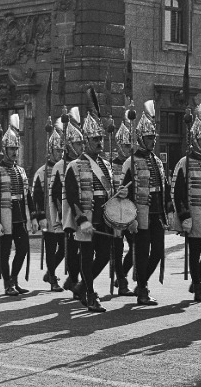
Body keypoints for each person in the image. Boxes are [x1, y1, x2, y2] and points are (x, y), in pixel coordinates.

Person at [121, 100, 174, 306]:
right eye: (149, 137)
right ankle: (142, 289)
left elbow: (165, 187)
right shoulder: (130, 162)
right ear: (140, 138)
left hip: (156, 214)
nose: (152, 141)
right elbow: (124, 193)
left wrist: (168, 209)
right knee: (142, 254)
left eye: (153, 137)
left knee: (158, 252)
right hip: (140, 215)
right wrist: (131, 217)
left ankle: (141, 282)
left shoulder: (158, 161)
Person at [65, 108, 115, 312]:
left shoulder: (105, 165)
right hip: (85, 218)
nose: (99, 143)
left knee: (104, 255)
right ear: (86, 141)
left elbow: (108, 191)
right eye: (95, 139)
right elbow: (72, 196)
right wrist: (81, 220)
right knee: (86, 257)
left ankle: (83, 286)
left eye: (101, 139)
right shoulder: (74, 166)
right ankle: (90, 294)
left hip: (103, 219)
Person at [0, 122, 38, 296]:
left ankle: (14, 279)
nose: (15, 152)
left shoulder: (21, 171)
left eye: (16, 148)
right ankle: (8, 283)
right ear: (4, 150)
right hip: (5, 217)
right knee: (5, 252)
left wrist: (34, 216)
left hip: (20, 216)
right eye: (11, 149)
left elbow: (27, 195)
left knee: (23, 249)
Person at [172, 102, 201, 303]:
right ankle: (198, 285)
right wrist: (184, 215)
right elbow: (178, 192)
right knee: (196, 250)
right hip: (194, 211)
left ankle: (197, 277)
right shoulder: (185, 162)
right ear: (194, 141)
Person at [51, 108, 85, 299]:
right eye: (77, 143)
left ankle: (74, 279)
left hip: (82, 210)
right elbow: (56, 193)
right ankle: (73, 279)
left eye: (82, 143)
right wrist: (60, 216)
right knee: (72, 250)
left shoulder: (83, 162)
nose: (81, 147)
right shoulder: (60, 166)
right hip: (68, 213)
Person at [32, 118, 66, 292]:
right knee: (51, 248)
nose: (60, 154)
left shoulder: (65, 168)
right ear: (50, 151)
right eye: (57, 150)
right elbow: (36, 196)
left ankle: (49, 272)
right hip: (48, 216)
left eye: (62, 150)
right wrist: (40, 217)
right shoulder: (41, 172)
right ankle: (52, 278)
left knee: (65, 248)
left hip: (62, 216)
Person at [110, 110, 137, 297]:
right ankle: (121, 281)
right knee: (117, 249)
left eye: (130, 145)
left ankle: (123, 273)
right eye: (126, 145)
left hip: (128, 211)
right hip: (114, 213)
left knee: (135, 246)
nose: (129, 149)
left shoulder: (132, 164)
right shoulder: (109, 165)